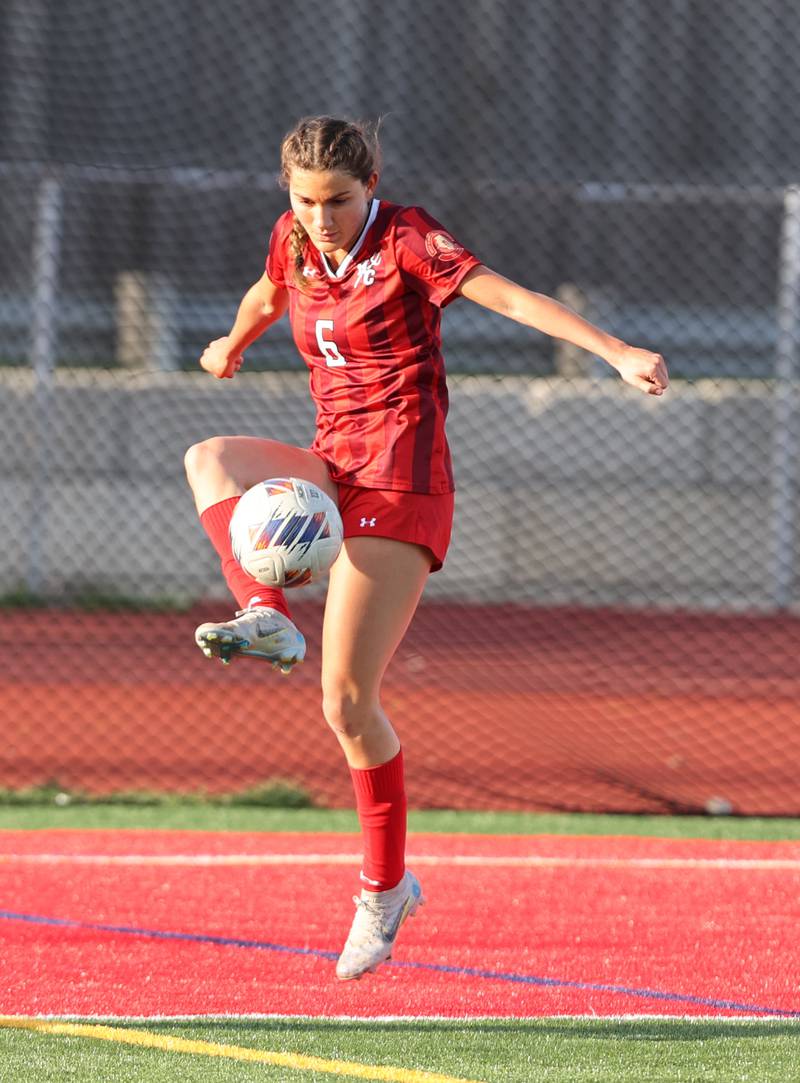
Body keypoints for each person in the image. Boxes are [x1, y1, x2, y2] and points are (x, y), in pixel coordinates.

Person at [183, 115, 669, 982]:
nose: (321, 218)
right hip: (334, 468)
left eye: (338, 200)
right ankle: (266, 616)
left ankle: (386, 887)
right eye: (305, 201)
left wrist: (614, 350)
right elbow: (268, 291)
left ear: (371, 185)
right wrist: (232, 343)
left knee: (345, 702)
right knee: (209, 458)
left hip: (402, 488)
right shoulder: (294, 239)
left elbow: (507, 295)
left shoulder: (408, 239)